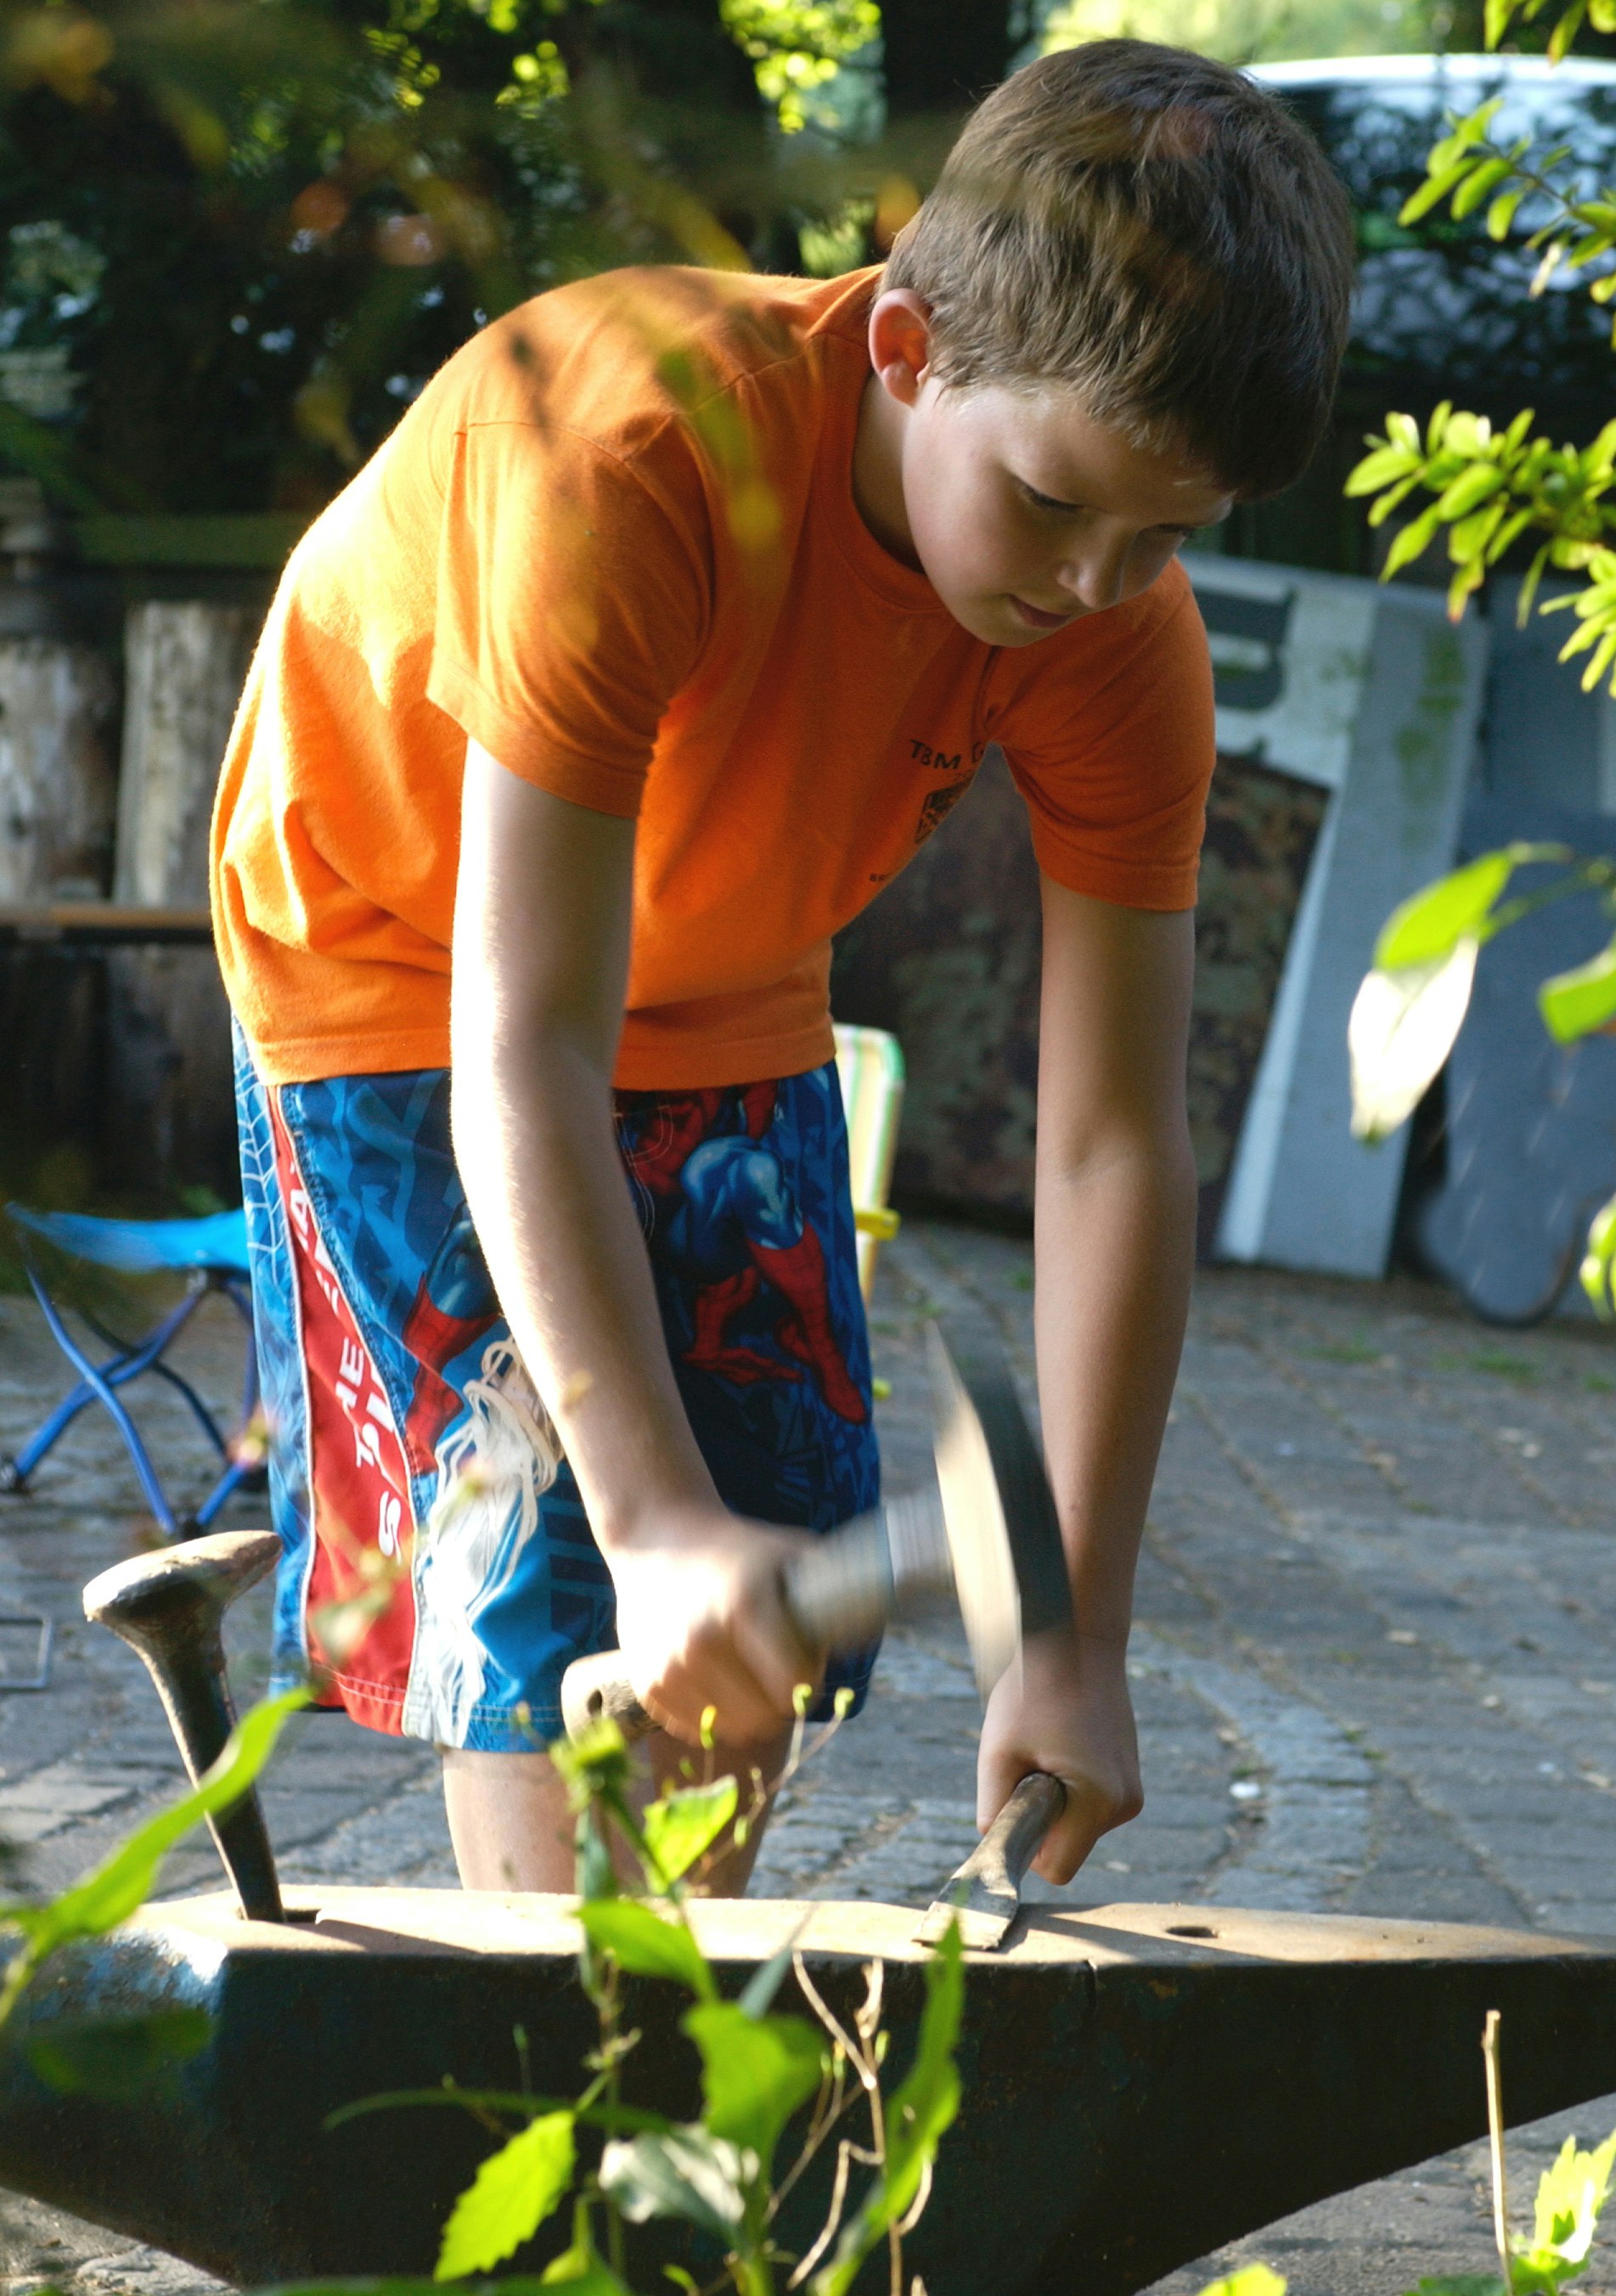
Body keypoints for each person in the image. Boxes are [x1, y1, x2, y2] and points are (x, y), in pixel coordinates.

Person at [213, 36, 1353, 1893]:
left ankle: (667, 2101)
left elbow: (1109, 1146)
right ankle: (577, 2096)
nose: (1095, 585)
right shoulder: (634, 461)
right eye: (1060, 505)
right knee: (560, 1602)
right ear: (907, 351)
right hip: (410, 958)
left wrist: (1074, 1636)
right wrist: (648, 1515)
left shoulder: (1116, 629)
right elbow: (523, 1052)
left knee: (750, 1639)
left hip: (725, 959)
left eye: (1168, 536)